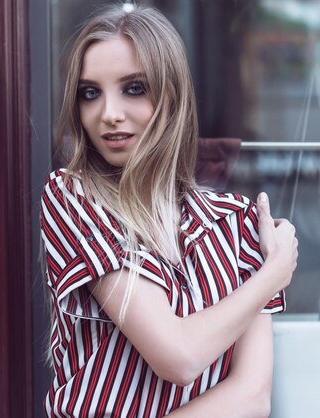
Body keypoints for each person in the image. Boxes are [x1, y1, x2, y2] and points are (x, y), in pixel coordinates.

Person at [40, 5, 298, 417]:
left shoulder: (236, 222)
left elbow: (252, 398)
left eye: (134, 88)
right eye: (90, 93)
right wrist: (274, 274)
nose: (109, 114)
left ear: (171, 94)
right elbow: (177, 356)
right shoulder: (73, 196)